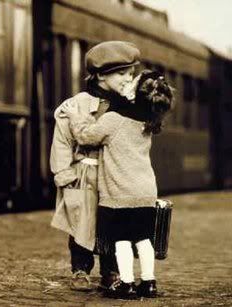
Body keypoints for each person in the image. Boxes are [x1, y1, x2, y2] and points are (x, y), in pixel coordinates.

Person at [61, 69, 174, 299]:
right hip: (145, 194)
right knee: (143, 239)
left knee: (121, 240)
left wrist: (75, 117)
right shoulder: (147, 122)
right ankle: (149, 282)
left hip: (120, 193)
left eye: (132, 80)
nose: (127, 80)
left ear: (132, 94)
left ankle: (126, 283)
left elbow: (85, 136)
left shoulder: (114, 120)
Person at [50, 41, 141, 291]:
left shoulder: (128, 106)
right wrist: (64, 172)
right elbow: (62, 140)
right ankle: (80, 269)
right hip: (84, 173)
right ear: (101, 75)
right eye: (122, 73)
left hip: (115, 174)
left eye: (131, 74)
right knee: (82, 220)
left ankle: (111, 271)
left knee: (113, 222)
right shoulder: (76, 104)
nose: (128, 78)